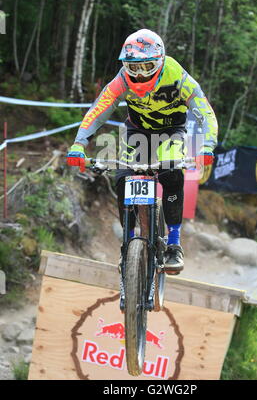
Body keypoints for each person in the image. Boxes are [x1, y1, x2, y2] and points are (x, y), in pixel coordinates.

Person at [67, 28, 218, 273]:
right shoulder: (123, 79)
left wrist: (208, 144)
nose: (138, 75)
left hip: (172, 132)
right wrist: (79, 144)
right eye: (132, 67)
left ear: (159, 62)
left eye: (146, 67)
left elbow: (205, 111)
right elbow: (100, 108)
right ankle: (127, 243)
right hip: (137, 132)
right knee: (122, 178)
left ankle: (174, 244)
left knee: (171, 174)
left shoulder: (177, 75)